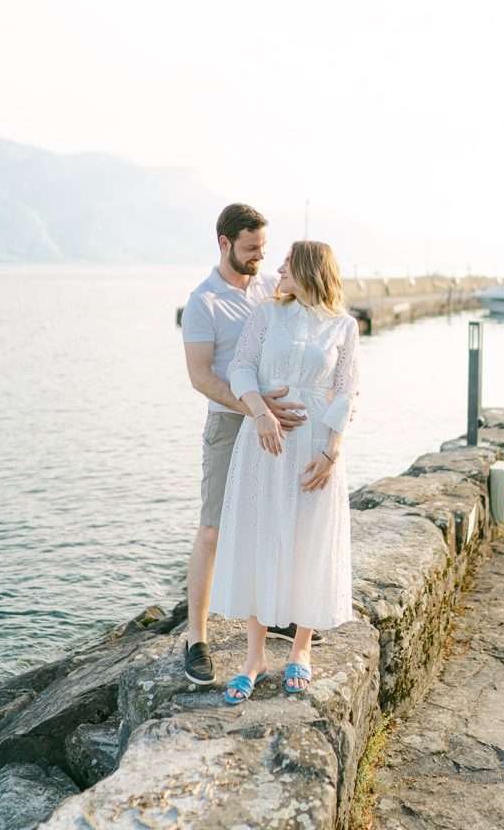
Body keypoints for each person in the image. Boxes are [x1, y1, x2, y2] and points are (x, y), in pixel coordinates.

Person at [209, 240, 360, 703]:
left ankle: (300, 649)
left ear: (311, 270)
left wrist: (331, 453)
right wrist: (260, 414)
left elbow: (347, 392)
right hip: (264, 444)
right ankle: (253, 657)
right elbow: (240, 369)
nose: (278, 269)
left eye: (288, 265)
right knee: (260, 536)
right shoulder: (266, 316)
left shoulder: (344, 326)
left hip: (314, 447)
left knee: (306, 540)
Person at [181, 204, 319, 686]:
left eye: (264, 247)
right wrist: (256, 409)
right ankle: (196, 638)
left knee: (273, 523)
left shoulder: (270, 286)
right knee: (214, 530)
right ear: (224, 244)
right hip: (230, 424)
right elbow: (201, 377)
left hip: (279, 426)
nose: (262, 257)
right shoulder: (204, 303)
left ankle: (275, 612)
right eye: (251, 248)